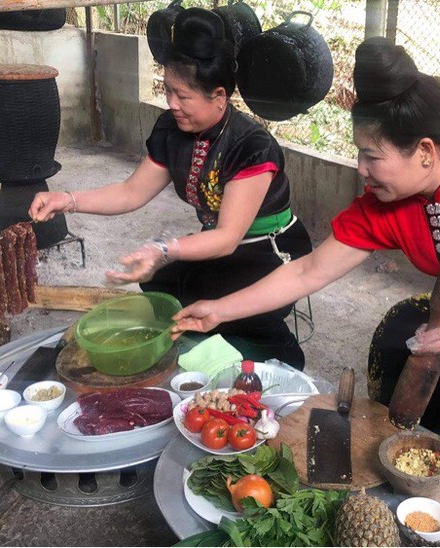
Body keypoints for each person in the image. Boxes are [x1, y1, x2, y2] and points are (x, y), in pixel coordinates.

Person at [172, 37, 440, 530]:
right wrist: (220, 310)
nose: (361, 170)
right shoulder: (385, 203)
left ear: (425, 150)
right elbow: (307, 271)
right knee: (401, 339)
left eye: (371, 156)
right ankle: (421, 467)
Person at [28, 8, 312, 369]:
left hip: (268, 248)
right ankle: (216, 349)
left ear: (219, 96)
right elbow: (132, 192)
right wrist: (67, 200)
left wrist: (163, 248)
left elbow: (227, 237)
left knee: (223, 306)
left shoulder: (250, 146)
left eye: (183, 95)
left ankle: (281, 357)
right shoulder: (171, 129)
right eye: (167, 91)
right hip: (223, 244)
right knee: (163, 286)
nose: (172, 104)